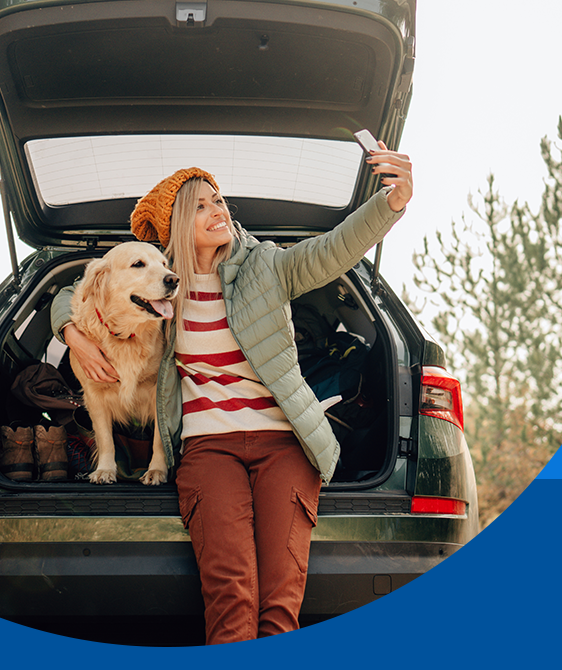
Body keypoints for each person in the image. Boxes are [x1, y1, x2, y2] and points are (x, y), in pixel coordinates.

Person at [59, 145, 414, 644]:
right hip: (209, 448)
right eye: (201, 204)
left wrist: (391, 204)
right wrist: (70, 333)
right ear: (180, 222)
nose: (218, 210)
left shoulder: (267, 266)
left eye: (219, 200)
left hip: (283, 444)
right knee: (232, 599)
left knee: (279, 605)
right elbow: (73, 291)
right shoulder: (162, 290)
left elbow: (334, 249)